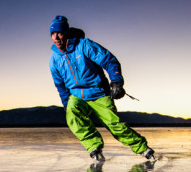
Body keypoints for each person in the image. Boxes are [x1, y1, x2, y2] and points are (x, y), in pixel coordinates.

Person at [49, 15, 155, 162]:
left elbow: (109, 60)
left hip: (99, 92)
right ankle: (94, 147)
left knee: (114, 125)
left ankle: (143, 149)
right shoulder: (54, 59)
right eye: (53, 34)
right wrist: (67, 103)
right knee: (72, 114)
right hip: (77, 95)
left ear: (66, 32)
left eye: (59, 33)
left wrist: (116, 81)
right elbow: (60, 84)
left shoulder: (84, 45)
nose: (56, 37)